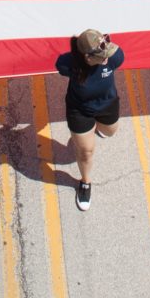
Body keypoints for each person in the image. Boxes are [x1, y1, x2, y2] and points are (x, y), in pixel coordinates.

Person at [55, 29, 124, 211]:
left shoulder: (115, 57)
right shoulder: (68, 64)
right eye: (101, 55)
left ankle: (92, 131)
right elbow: (61, 66)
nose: (107, 57)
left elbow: (112, 55)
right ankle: (85, 182)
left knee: (110, 131)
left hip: (107, 104)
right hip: (79, 110)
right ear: (87, 57)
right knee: (86, 151)